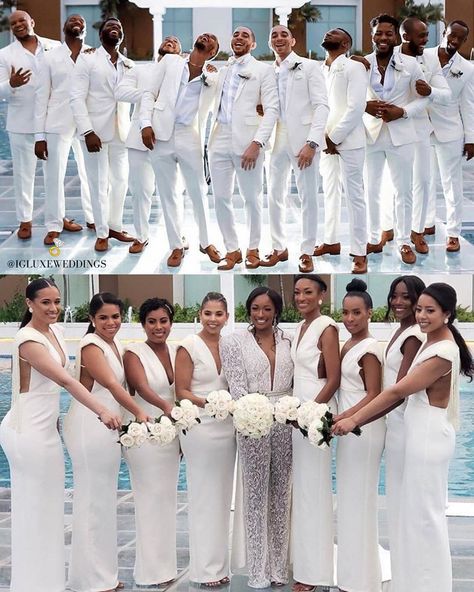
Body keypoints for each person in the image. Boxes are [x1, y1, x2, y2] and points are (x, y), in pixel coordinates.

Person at [334, 282, 474, 591]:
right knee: (415, 517)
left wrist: (355, 418)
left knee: (426, 519)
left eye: (430, 311)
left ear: (447, 314)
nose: (422, 315)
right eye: (420, 309)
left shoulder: (443, 351)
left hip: (428, 436)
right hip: (418, 433)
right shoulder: (430, 341)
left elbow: (398, 390)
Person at [0, 279, 120, 592]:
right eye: (45, 303)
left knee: (50, 510)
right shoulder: (27, 340)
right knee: (34, 511)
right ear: (29, 303)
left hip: (47, 431)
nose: (53, 308)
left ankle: (49, 583)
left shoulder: (56, 331)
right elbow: (67, 381)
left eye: (57, 302)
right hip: (27, 434)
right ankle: (31, 585)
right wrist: (102, 411)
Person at [63, 292, 150, 592]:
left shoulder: (115, 344)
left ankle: (102, 576)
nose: (110, 322)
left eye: (115, 317)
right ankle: (91, 581)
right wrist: (140, 413)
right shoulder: (90, 345)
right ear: (91, 319)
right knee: (91, 501)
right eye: (103, 318)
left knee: (102, 501)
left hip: (109, 425)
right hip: (91, 423)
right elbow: (112, 386)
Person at [220, 287, 293, 588]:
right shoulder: (233, 341)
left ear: (276, 310)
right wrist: (251, 416)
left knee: (281, 495)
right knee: (255, 496)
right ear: (248, 310)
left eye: (266, 309)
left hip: (287, 422)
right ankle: (257, 572)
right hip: (253, 420)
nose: (260, 314)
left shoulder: (288, 340)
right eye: (255, 308)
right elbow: (236, 387)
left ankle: (278, 568)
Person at [140, 33, 222, 267]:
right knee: (168, 194)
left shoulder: (213, 76)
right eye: (204, 35)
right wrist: (145, 124)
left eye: (212, 40)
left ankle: (206, 242)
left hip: (189, 135)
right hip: (160, 134)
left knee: (198, 191)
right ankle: (176, 246)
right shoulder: (170, 62)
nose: (206, 37)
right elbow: (149, 93)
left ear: (212, 53)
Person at [175, 292, 236, 586]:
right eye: (208, 313)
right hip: (200, 428)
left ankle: (220, 566)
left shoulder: (230, 344)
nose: (213, 319)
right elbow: (182, 391)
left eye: (219, 314)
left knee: (222, 497)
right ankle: (204, 569)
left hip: (228, 429)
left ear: (227, 316)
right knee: (203, 496)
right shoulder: (188, 346)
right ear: (200, 314)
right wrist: (209, 404)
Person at [208, 26, 279, 270]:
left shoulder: (263, 70)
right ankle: (232, 250)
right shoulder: (222, 69)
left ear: (254, 44)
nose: (239, 38)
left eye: (245, 35)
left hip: (248, 140)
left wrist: (257, 143)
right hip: (219, 138)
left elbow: (272, 110)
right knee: (220, 198)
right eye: (236, 34)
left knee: (251, 198)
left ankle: (253, 248)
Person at [261, 25, 328, 273]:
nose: (278, 38)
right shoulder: (268, 71)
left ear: (293, 40)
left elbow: (322, 106)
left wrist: (312, 142)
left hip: (303, 138)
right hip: (276, 136)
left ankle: (306, 251)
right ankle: (279, 248)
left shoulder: (310, 66)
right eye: (274, 35)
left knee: (308, 195)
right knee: (274, 194)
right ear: (269, 43)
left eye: (283, 35)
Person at [123, 298, 180, 586]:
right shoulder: (133, 352)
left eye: (163, 321)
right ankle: (149, 572)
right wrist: (168, 409)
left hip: (171, 437)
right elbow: (142, 388)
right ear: (143, 324)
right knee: (149, 500)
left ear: (171, 322)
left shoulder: (175, 350)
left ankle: (164, 568)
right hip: (145, 433)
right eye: (152, 322)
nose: (159, 327)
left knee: (166, 500)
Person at [363, 14, 427, 264]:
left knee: (403, 191)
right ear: (372, 36)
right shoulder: (361, 64)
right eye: (379, 33)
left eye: (388, 33)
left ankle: (403, 241)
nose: (383, 38)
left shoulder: (410, 64)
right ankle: (372, 237)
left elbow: (424, 97)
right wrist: (364, 106)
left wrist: (404, 111)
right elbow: (350, 97)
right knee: (372, 189)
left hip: (402, 134)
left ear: (397, 37)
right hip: (371, 134)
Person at [336, 279, 386, 592]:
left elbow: (374, 394)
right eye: (345, 313)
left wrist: (348, 417)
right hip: (348, 428)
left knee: (360, 500)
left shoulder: (370, 349)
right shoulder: (347, 344)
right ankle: (352, 573)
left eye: (357, 313)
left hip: (363, 429)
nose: (350, 318)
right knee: (350, 501)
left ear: (369, 313)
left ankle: (363, 579)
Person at [291, 275, 340, 591]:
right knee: (304, 489)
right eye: (297, 292)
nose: (300, 297)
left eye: (308, 292)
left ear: (322, 294)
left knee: (315, 489)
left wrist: (310, 412)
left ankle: (315, 572)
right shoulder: (300, 327)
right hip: (298, 413)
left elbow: (333, 379)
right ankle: (305, 561)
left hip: (315, 414)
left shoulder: (327, 327)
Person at [70, 17, 135, 252]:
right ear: (101, 36)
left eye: (118, 26)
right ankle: (102, 233)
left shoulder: (129, 64)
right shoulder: (87, 59)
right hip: (94, 133)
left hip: (121, 132)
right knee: (98, 184)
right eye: (109, 26)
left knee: (120, 181)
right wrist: (87, 131)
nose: (114, 29)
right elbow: (76, 97)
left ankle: (114, 225)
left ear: (122, 36)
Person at [115, 36, 182, 254]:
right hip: (138, 140)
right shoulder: (141, 70)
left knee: (172, 192)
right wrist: (148, 95)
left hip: (170, 139)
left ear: (180, 52)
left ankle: (179, 237)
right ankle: (141, 236)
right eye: (167, 40)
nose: (170, 41)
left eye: (175, 41)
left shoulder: (183, 71)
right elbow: (120, 92)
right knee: (140, 191)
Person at [34, 14, 94, 245]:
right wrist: (39, 136)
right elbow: (41, 98)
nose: (77, 22)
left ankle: (93, 217)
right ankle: (54, 224)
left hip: (87, 122)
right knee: (53, 175)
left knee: (91, 172)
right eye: (72, 20)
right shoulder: (49, 57)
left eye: (81, 20)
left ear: (86, 29)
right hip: (56, 121)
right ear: (64, 27)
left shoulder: (93, 55)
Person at [0, 10, 60, 240]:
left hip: (52, 121)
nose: (17, 25)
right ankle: (25, 220)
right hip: (21, 123)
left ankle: (58, 217)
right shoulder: (4, 55)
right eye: (13, 23)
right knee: (24, 175)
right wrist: (11, 84)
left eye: (21, 21)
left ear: (31, 22)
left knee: (54, 174)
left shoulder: (55, 47)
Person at [382, 275, 425, 582]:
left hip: (402, 424)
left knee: (403, 500)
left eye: (405, 297)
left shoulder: (412, 335)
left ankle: (409, 573)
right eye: (394, 296)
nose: (398, 302)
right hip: (392, 423)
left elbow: (399, 389)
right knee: (396, 498)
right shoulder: (402, 330)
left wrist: (359, 418)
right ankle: (403, 569)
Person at [317, 27, 369, 274]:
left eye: (336, 33)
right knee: (329, 191)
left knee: (354, 196)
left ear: (346, 44)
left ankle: (359, 252)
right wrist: (321, 137)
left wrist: (334, 137)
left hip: (348, 139)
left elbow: (356, 106)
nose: (329, 34)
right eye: (328, 32)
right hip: (324, 140)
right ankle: (331, 241)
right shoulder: (319, 68)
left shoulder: (354, 67)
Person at [424, 20, 474, 252]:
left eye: (459, 38)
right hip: (421, 128)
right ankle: (427, 222)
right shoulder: (422, 56)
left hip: (450, 130)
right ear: (444, 33)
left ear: (464, 41)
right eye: (451, 35)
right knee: (423, 180)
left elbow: (468, 105)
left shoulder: (467, 68)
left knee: (451, 184)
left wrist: (470, 138)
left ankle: (453, 232)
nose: (453, 41)